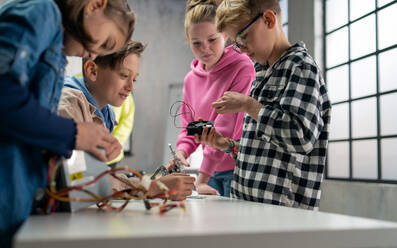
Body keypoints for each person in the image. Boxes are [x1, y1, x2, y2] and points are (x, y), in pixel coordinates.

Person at [0, 0, 136, 246]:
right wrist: (73, 133)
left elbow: (27, 127)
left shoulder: (56, 50)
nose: (94, 54)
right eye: (104, 44)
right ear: (95, 5)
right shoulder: (43, 11)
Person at [195, 0, 331, 210]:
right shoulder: (261, 73)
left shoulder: (300, 67)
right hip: (248, 208)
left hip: (282, 216)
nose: (241, 49)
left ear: (268, 19)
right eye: (236, 44)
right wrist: (227, 145)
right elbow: (266, 152)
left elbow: (300, 138)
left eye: (242, 38)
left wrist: (249, 106)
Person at [58, 41, 195, 200]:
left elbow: (98, 177)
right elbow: (79, 180)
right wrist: (151, 187)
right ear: (92, 70)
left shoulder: (105, 114)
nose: (131, 87)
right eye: (124, 75)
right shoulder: (68, 105)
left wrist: (152, 185)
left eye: (134, 79)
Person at [167, 0, 255, 197]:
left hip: (240, 169)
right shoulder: (191, 79)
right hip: (211, 171)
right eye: (196, 43)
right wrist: (181, 153)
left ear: (225, 33)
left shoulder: (242, 67)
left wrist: (202, 179)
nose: (205, 49)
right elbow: (188, 128)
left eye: (212, 39)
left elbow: (224, 129)